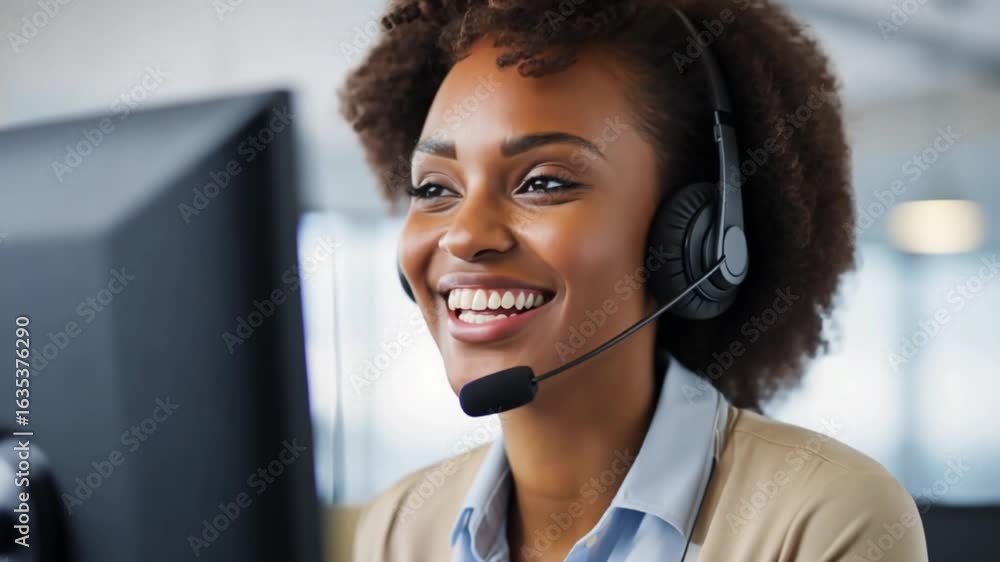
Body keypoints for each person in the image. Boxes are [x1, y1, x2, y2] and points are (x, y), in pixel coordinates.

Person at [339, 0, 928, 560]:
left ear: (697, 240)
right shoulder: (401, 527)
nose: (464, 236)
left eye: (542, 182)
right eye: (435, 189)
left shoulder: (819, 520)